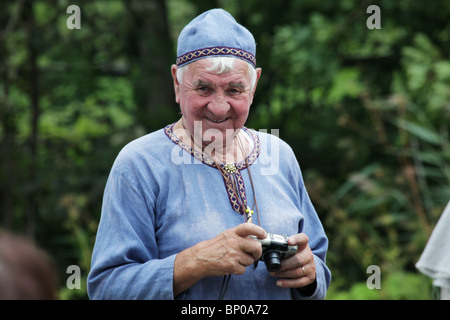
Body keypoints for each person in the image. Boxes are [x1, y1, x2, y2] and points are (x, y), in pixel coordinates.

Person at [87, 8, 331, 300]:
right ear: (177, 83)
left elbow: (318, 267)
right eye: (203, 88)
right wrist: (195, 262)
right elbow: (106, 289)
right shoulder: (140, 164)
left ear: (254, 87)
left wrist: (309, 274)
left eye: (234, 90)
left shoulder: (279, 155)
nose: (218, 107)